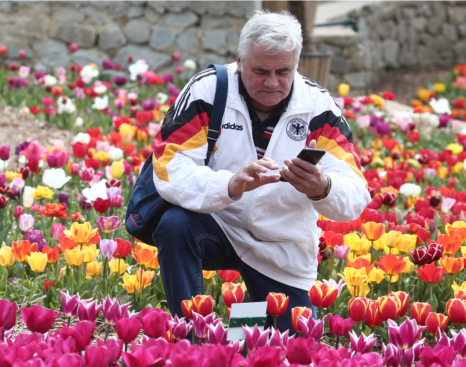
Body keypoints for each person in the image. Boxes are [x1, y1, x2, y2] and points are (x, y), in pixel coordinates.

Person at [151, 11, 369, 332]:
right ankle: (191, 339)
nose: (271, 82)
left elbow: (355, 194)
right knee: (174, 225)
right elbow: (170, 168)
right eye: (260, 70)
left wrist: (322, 187)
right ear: (239, 60)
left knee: (283, 353)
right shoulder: (209, 91)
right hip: (217, 225)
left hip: (280, 247)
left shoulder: (320, 108)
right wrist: (230, 185)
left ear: (297, 64)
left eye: (284, 71)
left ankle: (241, 329)